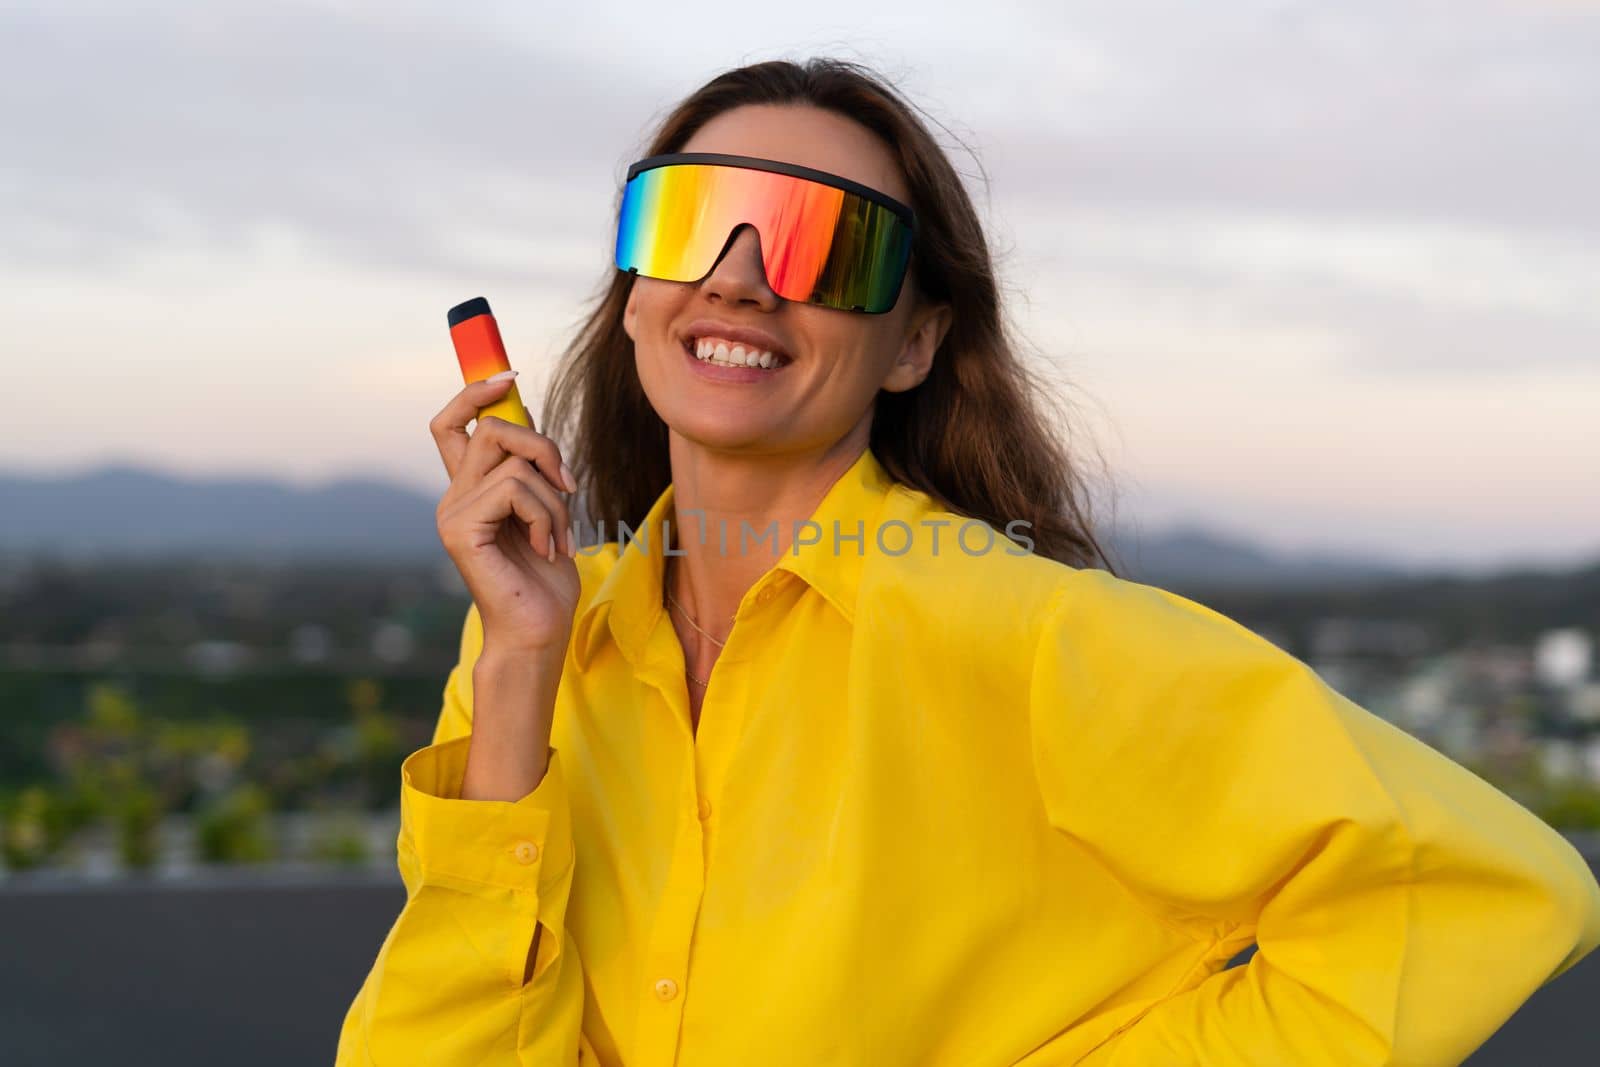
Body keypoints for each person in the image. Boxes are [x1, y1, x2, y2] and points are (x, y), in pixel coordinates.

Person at [335, 58, 1600, 1066]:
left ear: (913, 342)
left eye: (825, 244)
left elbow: (1489, 891)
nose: (739, 279)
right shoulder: (533, 645)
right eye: (692, 220)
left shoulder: (1032, 635)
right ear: (633, 289)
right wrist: (516, 670)